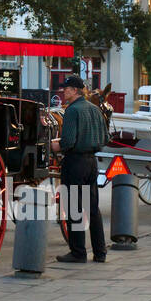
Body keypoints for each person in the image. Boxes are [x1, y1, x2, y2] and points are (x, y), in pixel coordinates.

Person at [51, 75, 109, 263]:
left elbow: (68, 142)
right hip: (92, 162)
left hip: (75, 162)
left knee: (74, 208)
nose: (63, 91)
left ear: (75, 90)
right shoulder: (95, 109)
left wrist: (55, 146)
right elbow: (106, 138)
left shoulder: (72, 111)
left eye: (66, 89)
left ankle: (78, 252)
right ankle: (100, 252)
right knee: (92, 208)